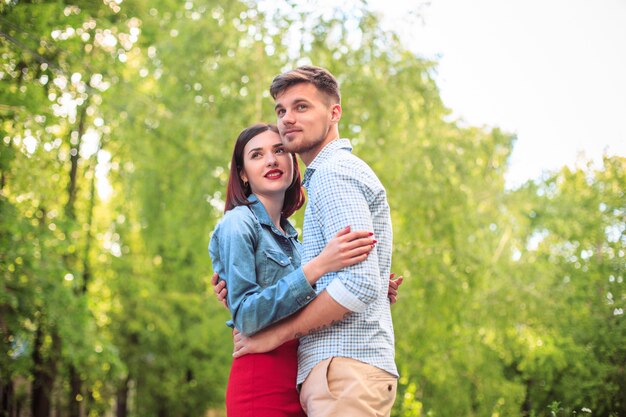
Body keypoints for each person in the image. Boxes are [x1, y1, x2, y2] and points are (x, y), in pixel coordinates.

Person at [231, 66, 399, 417]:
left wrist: (277, 335)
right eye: (281, 110)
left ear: (334, 112)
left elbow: (359, 283)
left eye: (301, 107)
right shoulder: (326, 178)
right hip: (336, 373)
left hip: (345, 371)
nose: (287, 119)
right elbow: (364, 281)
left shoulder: (334, 174)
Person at [209, 123, 380, 417]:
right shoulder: (238, 223)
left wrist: (361, 277)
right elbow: (247, 317)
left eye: (279, 150)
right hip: (262, 377)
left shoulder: (296, 242)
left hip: (304, 375)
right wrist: (320, 266)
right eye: (257, 155)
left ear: (293, 161)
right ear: (242, 173)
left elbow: (309, 306)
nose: (271, 160)